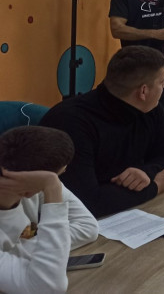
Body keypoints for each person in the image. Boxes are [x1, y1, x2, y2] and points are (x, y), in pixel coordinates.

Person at [39, 46, 164, 218]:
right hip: (68, 221)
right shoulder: (71, 122)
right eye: (161, 82)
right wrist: (153, 188)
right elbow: (86, 202)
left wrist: (146, 172)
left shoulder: (151, 109)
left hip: (122, 211)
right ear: (143, 91)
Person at [0, 126, 99, 294]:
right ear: (29, 190)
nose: (56, 183)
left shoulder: (32, 182)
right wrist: (52, 187)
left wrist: (25, 250)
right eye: (57, 177)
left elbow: (87, 227)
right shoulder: (44, 184)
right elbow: (47, 286)